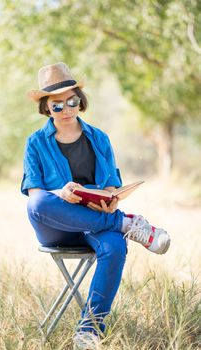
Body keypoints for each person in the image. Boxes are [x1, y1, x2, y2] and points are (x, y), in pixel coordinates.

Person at [21, 62, 170, 349]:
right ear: (46, 108)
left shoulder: (99, 138)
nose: (66, 110)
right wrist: (61, 192)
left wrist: (109, 199)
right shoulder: (35, 142)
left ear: (80, 101)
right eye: (57, 105)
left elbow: (112, 182)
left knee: (115, 246)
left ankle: (89, 330)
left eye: (71, 101)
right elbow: (35, 192)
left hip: (94, 219)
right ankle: (128, 224)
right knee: (37, 203)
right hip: (56, 224)